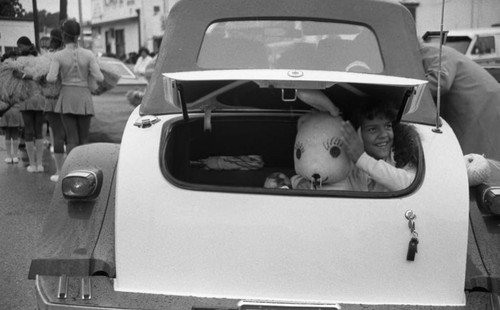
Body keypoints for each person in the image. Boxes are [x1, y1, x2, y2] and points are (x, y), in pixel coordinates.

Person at [420, 43, 500, 161]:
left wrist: (410, 89)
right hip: (476, 103)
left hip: (481, 104)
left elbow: (441, 82)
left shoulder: (430, 52)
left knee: (477, 157)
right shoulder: (431, 52)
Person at [46, 19, 104, 155]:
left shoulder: (58, 56)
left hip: (67, 97)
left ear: (63, 35)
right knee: (84, 139)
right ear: (78, 36)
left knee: (71, 140)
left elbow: (51, 78)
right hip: (84, 97)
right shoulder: (89, 54)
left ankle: (71, 170)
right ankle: (83, 169)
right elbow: (100, 77)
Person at [340, 100, 419, 191]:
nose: (383, 135)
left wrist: (362, 159)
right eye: (372, 129)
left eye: (388, 126)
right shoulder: (345, 163)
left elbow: (411, 185)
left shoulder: (402, 155)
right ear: (357, 135)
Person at [15, 36, 46, 173]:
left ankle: (32, 164)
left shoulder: (19, 60)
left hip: (26, 98)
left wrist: (23, 76)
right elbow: (43, 76)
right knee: (38, 131)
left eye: (20, 46)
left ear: (25, 46)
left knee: (28, 130)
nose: (19, 49)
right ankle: (39, 164)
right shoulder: (39, 58)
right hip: (39, 97)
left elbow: (15, 74)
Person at [42, 29, 66, 182]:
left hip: (52, 99)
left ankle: (59, 172)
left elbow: (46, 78)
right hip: (67, 99)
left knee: (57, 136)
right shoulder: (68, 55)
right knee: (69, 137)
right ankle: (71, 170)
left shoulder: (50, 58)